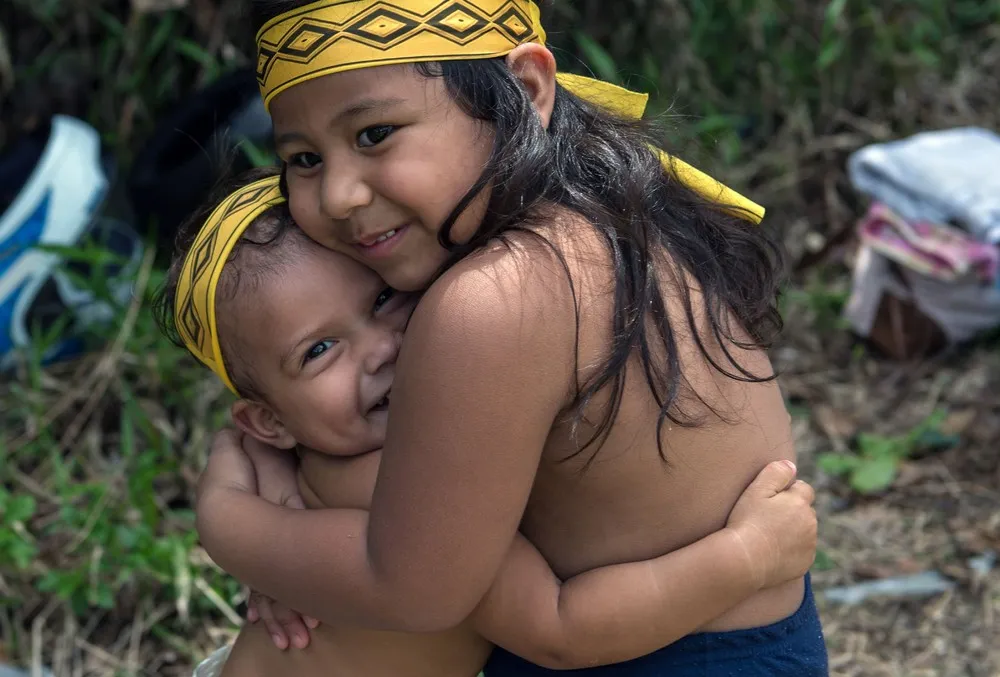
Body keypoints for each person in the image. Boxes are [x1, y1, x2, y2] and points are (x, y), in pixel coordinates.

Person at [196, 1, 830, 674]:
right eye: (302, 158)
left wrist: (232, 525)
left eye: (376, 132)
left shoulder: (495, 298)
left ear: (526, 91)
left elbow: (411, 587)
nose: (340, 195)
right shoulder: (605, 207)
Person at [159, 169, 816, 676]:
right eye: (319, 349)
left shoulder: (302, 454)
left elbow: (231, 456)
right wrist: (746, 556)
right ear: (268, 420)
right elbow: (559, 627)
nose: (381, 347)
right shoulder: (393, 482)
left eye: (383, 299)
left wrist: (269, 507)